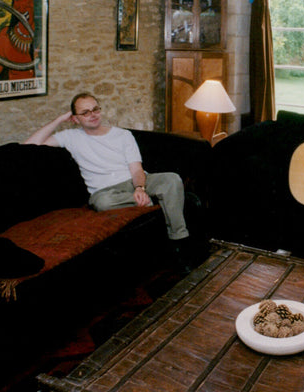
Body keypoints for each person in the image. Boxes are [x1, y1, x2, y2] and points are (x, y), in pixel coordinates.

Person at [24, 92, 193, 271]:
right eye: (85, 112)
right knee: (101, 203)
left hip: (134, 181)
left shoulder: (122, 135)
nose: (93, 115)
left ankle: (179, 243)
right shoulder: (70, 137)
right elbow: (28, 145)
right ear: (75, 119)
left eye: (96, 109)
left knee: (171, 179)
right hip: (106, 192)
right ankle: (151, 201)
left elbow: (136, 169)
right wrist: (59, 119)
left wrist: (140, 188)